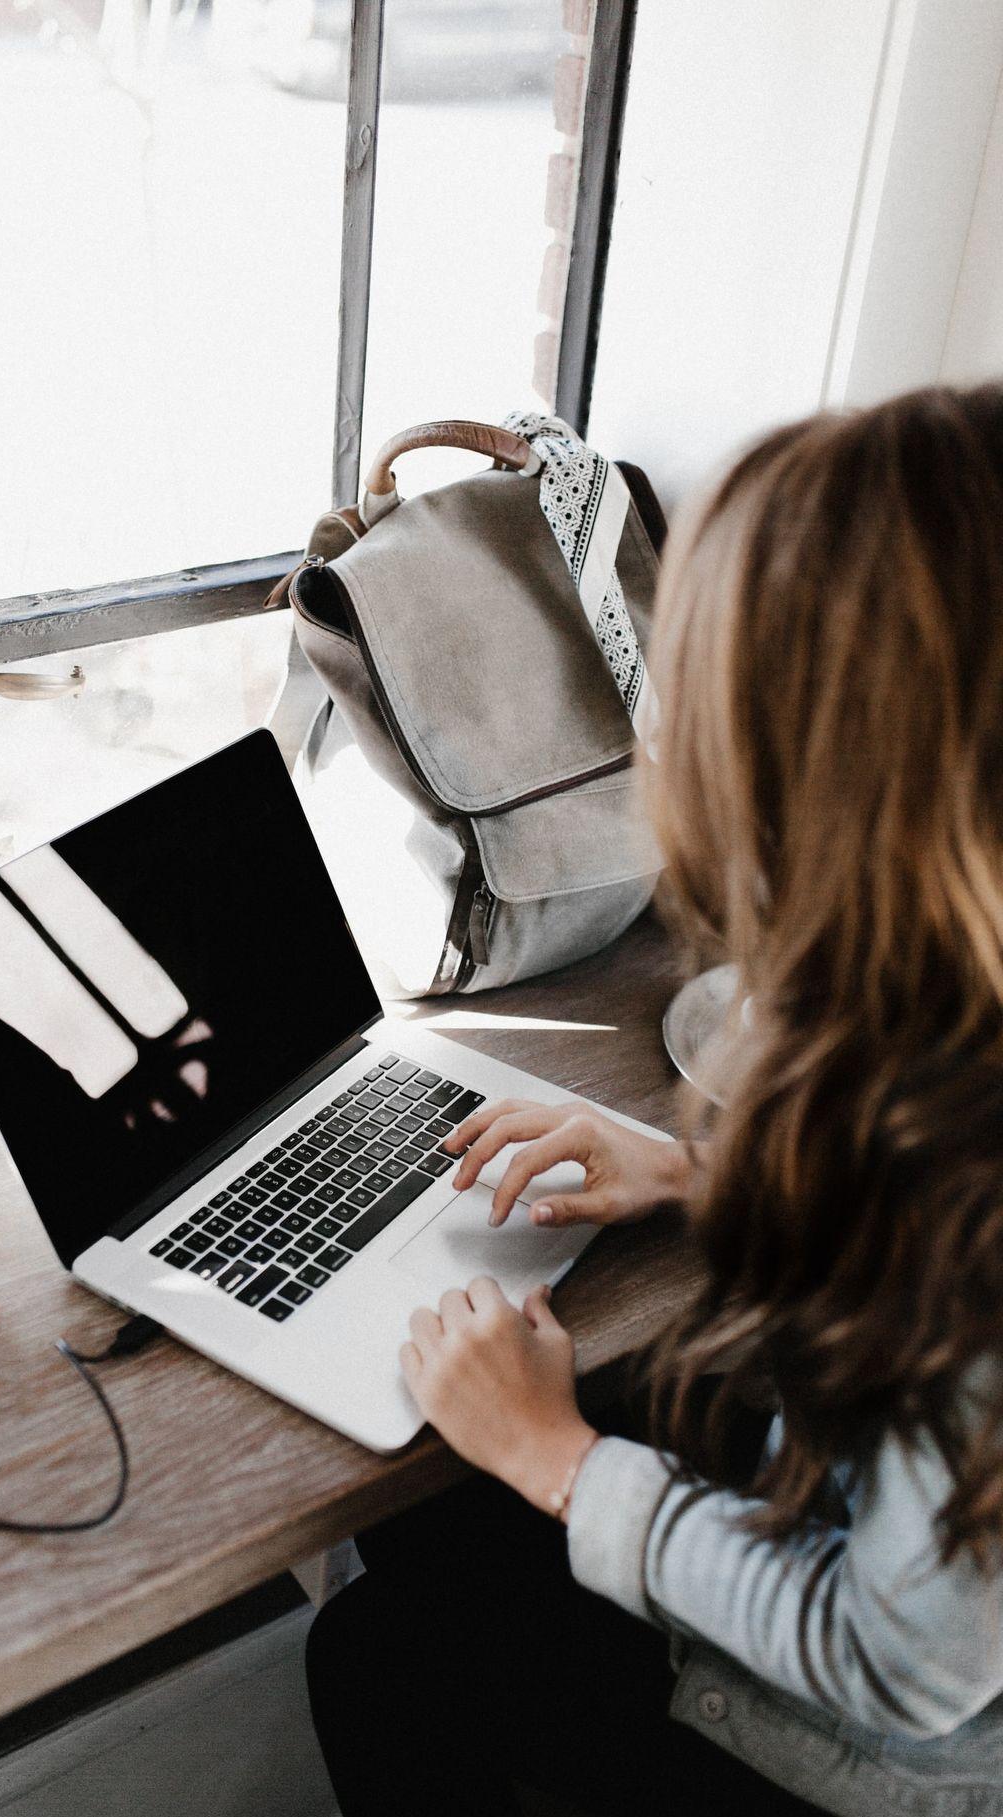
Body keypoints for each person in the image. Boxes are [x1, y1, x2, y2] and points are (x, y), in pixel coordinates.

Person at [305, 384, 1003, 1817]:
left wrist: (558, 1459)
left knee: (381, 1646)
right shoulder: (943, 1041)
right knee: (437, 1541)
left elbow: (897, 1665)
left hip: (879, 1765)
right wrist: (703, 1175)